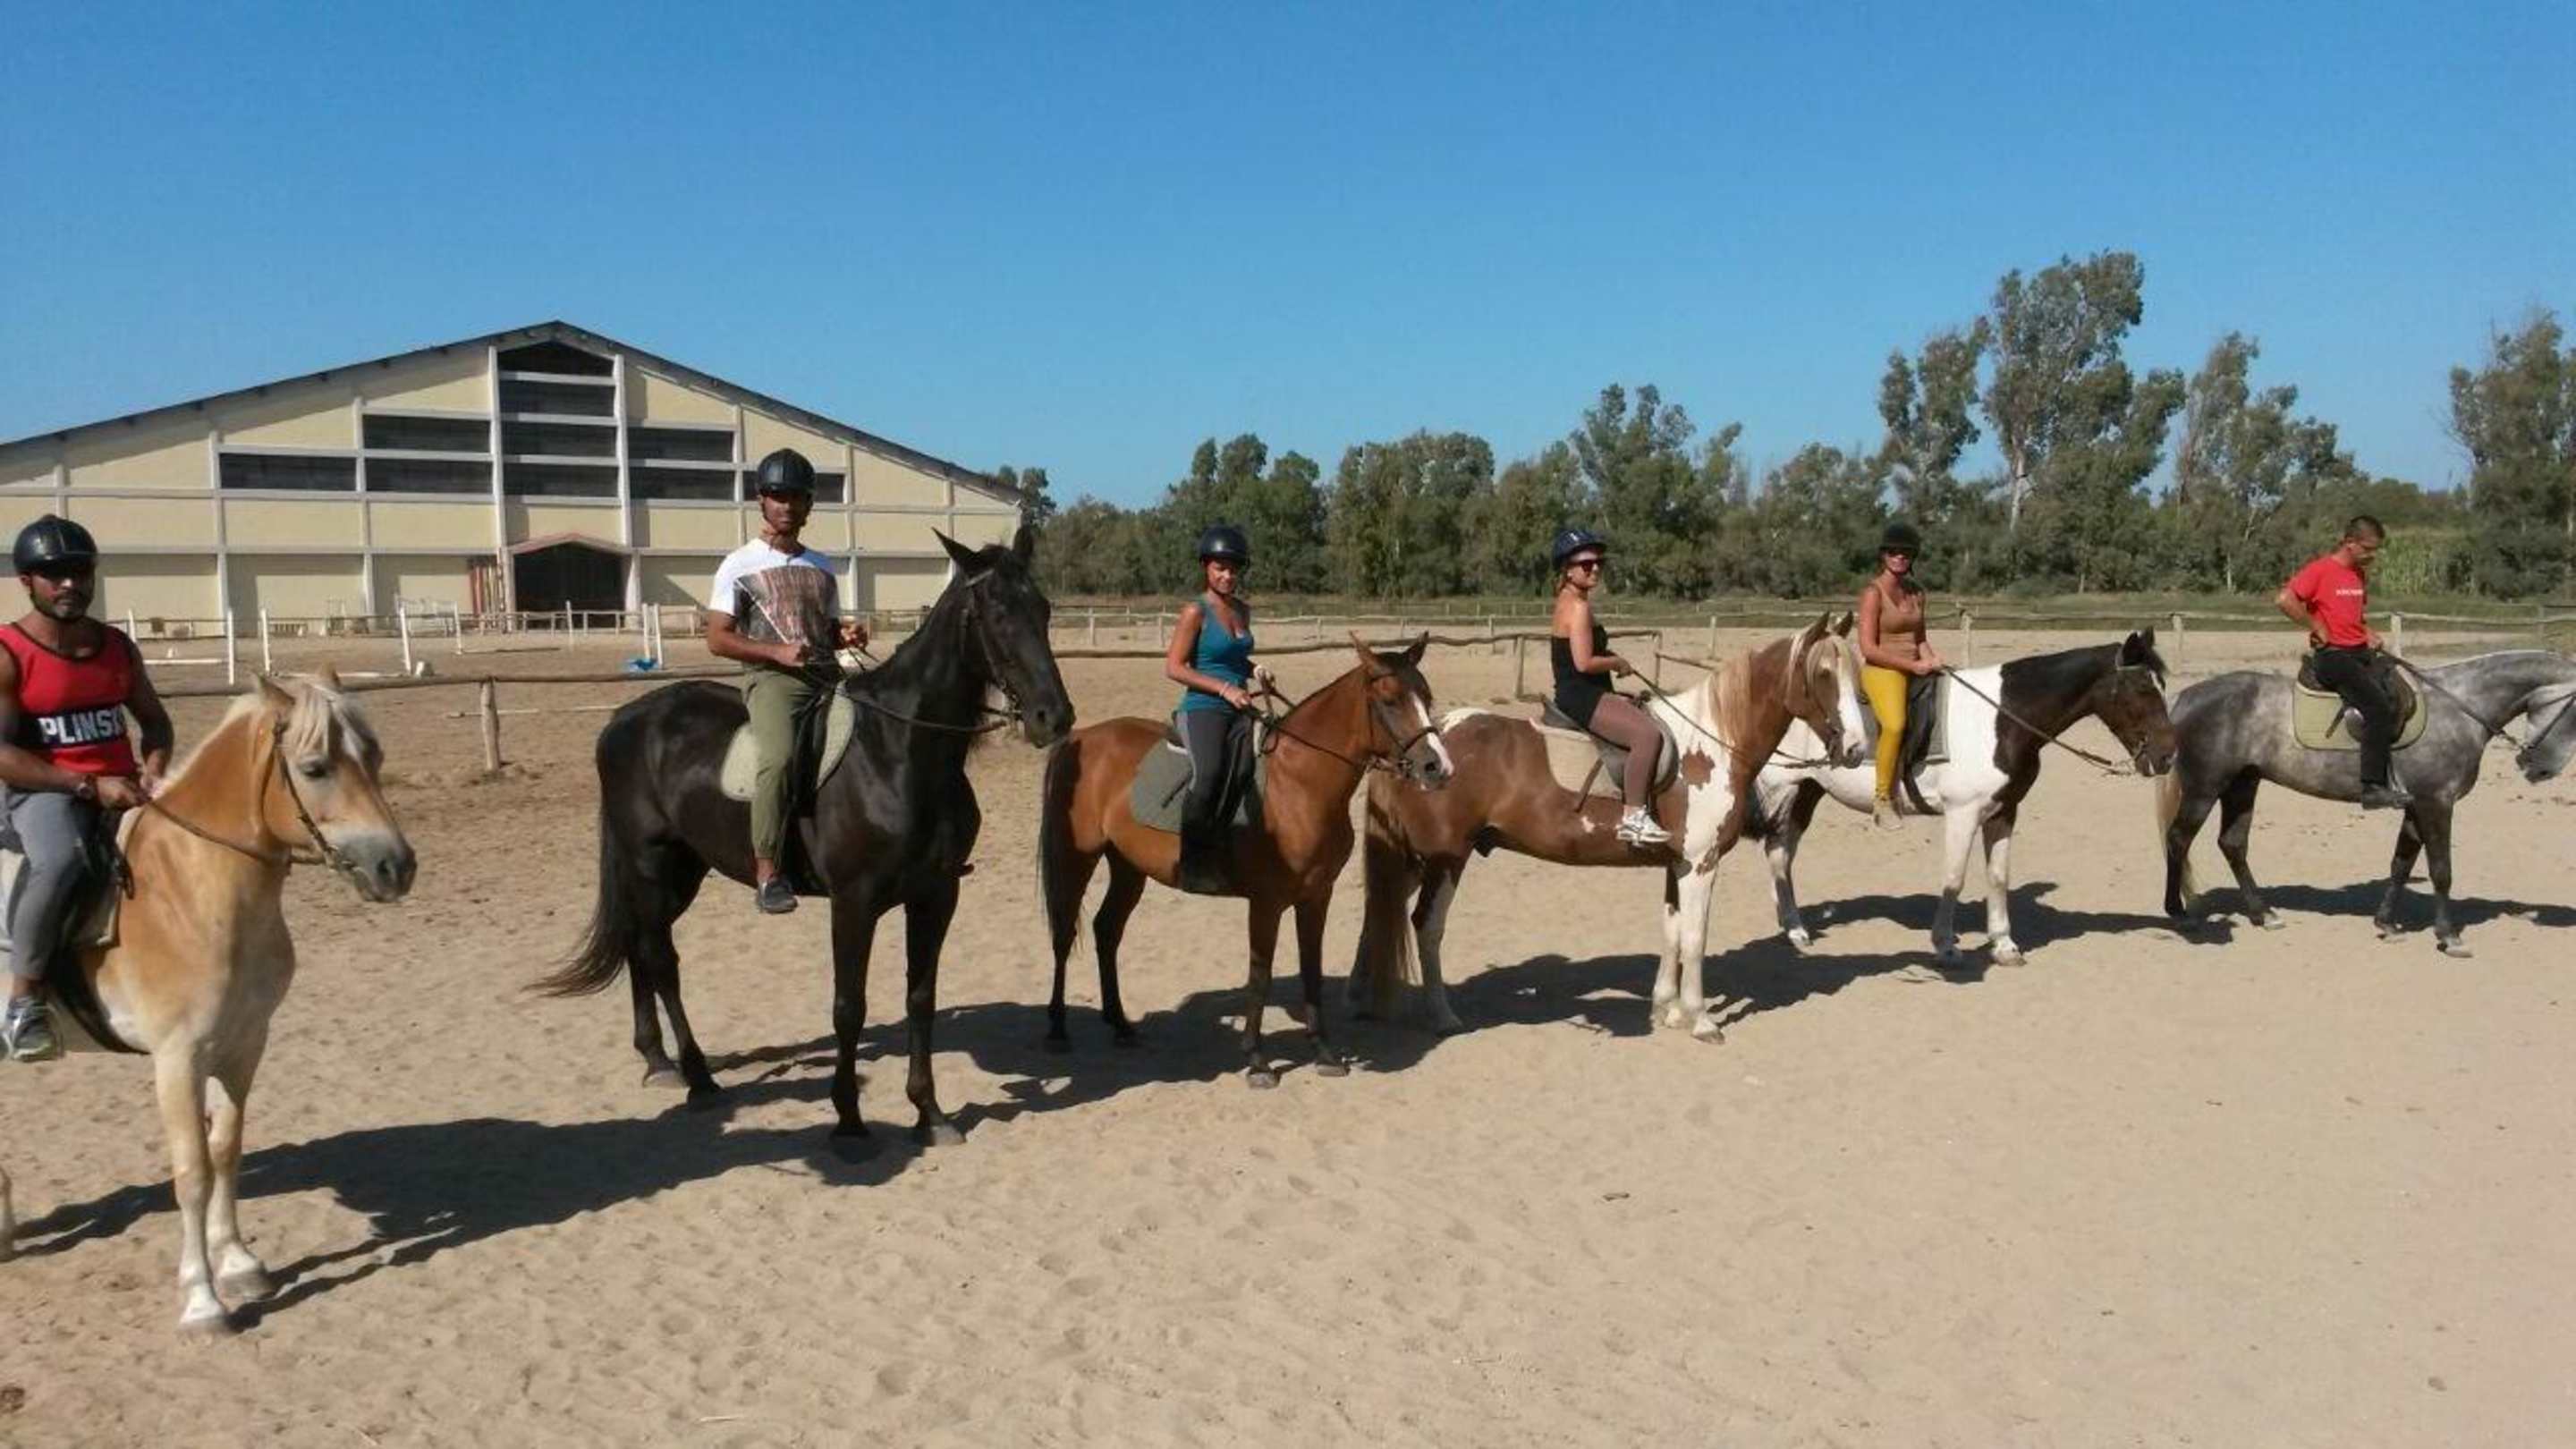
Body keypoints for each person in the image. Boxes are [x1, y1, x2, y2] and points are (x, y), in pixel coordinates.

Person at [0, 516, 174, 1063]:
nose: (69, 584)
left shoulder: (117, 647)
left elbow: (154, 721)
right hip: (43, 791)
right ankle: (24, 1003)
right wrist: (85, 785)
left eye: (79, 572)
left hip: (122, 785)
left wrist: (155, 767)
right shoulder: (8, 652)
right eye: (54, 575)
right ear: (26, 581)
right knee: (61, 861)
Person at [705, 448, 868, 914]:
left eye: (796, 497)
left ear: (809, 505)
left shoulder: (821, 565)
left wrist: (844, 635)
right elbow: (717, 638)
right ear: (761, 500)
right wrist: (775, 652)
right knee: (777, 759)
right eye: (778, 496)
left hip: (827, 674)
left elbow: (824, 629)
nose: (787, 506)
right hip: (774, 681)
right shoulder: (738, 564)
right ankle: (768, 871)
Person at [1163, 523, 1275, 894]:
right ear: (1206, 567)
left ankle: (1225, 843)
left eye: (1233, 569)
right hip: (1203, 707)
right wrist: (1225, 689)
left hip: (1239, 704)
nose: (1227, 576)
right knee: (1209, 773)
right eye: (1220, 568)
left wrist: (1255, 670)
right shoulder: (1195, 611)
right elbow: (1175, 667)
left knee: (1246, 770)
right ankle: (1191, 862)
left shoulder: (1242, 610)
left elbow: (1234, 657)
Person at [2278, 514, 2408, 809]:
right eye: (2368, 549)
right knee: (2377, 707)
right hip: (2333, 656)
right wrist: (2314, 625)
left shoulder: (2358, 574)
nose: (2372, 555)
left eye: (2375, 549)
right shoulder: (2321, 570)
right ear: (2350, 543)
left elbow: (2354, 617)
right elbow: (2285, 599)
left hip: (2359, 651)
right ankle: (2372, 788)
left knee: (2399, 689)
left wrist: (2368, 633)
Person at [1548, 529, 1668, 846]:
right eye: (1587, 564)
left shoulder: (1571, 600)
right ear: (1568, 569)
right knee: (1647, 735)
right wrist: (1616, 662)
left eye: (1599, 562)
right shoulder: (1578, 608)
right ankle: (1634, 817)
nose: (1595, 569)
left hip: (1585, 689)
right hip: (1582, 694)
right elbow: (1584, 662)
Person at [1856, 519, 1945, 828]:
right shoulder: (1873, 593)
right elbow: (1868, 648)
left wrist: (1933, 660)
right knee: (1894, 725)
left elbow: (1920, 639)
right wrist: (1912, 666)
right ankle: (1883, 798)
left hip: (1916, 665)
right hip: (1883, 669)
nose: (1899, 557)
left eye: (1905, 553)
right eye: (1893, 552)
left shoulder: (1917, 593)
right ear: (1883, 555)